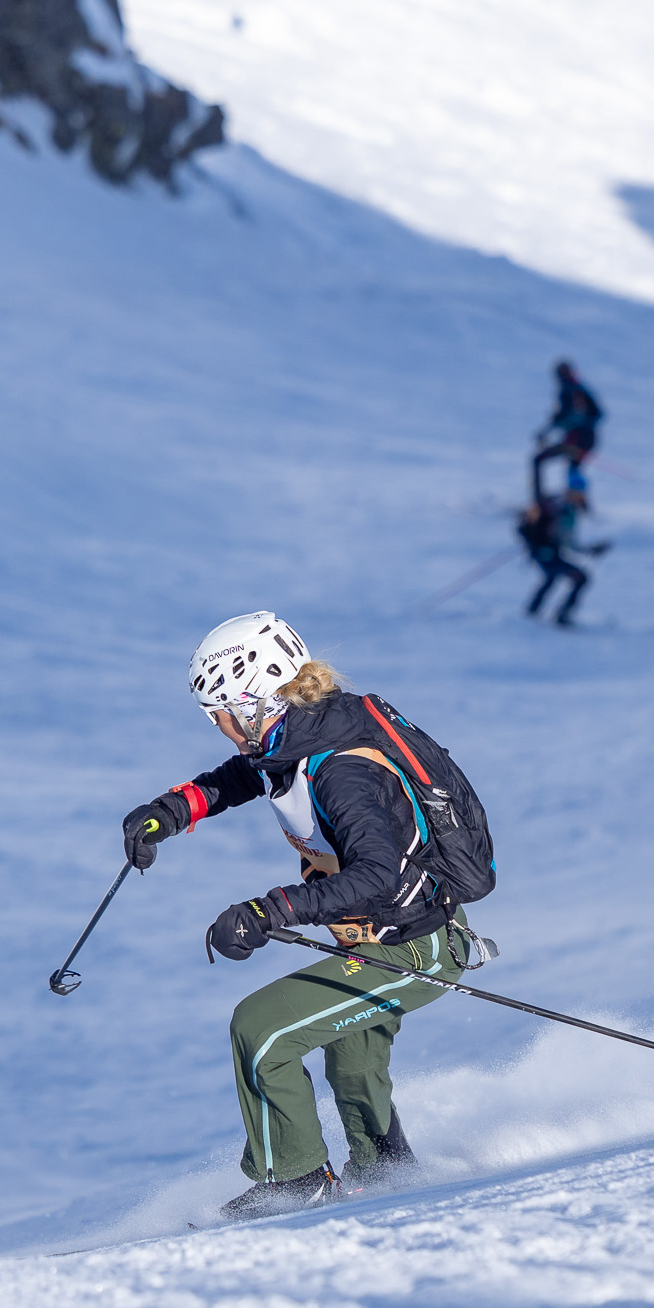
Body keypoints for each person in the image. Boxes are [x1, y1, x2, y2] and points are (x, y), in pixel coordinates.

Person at [120, 614, 493, 1221]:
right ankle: (388, 1177)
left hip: (413, 945)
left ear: (253, 703)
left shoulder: (340, 767)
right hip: (386, 934)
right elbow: (247, 775)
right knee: (353, 1063)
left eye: (218, 711)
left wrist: (268, 911)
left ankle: (296, 1182)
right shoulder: (304, 732)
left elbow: (379, 873)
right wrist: (171, 811)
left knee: (261, 1031)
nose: (216, 725)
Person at [518, 490, 609, 626]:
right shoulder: (565, 513)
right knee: (581, 578)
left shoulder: (558, 508)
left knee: (551, 577)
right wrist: (590, 550)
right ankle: (562, 616)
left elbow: (564, 542)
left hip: (543, 554)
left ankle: (532, 611)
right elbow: (567, 543)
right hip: (548, 555)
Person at [533, 361, 604, 498]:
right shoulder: (580, 389)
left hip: (576, 440)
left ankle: (539, 500)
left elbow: (569, 417)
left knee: (538, 460)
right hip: (588, 439)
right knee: (574, 468)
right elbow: (597, 414)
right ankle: (579, 501)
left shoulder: (570, 391)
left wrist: (550, 428)